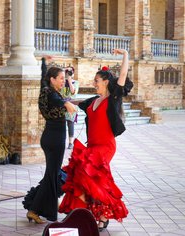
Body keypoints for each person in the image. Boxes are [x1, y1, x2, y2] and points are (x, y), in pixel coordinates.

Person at [58, 49, 133, 231]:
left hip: (105, 146)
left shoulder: (113, 99)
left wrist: (125, 54)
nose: (94, 84)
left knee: (90, 175)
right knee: (84, 179)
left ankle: (100, 215)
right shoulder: (93, 101)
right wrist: (63, 102)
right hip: (92, 146)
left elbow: (123, 74)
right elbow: (76, 103)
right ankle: (87, 214)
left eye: (96, 81)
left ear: (106, 82)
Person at [22, 56, 77, 224]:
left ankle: (39, 207)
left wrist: (44, 61)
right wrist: (67, 104)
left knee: (51, 175)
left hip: (50, 137)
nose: (63, 81)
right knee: (52, 176)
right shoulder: (52, 94)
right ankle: (34, 209)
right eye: (60, 78)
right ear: (53, 80)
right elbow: (59, 101)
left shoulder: (45, 88)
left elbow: (43, 75)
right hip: (55, 139)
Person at [61, 66, 79, 149]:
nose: (68, 73)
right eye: (67, 71)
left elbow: (73, 92)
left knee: (70, 123)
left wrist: (69, 80)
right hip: (62, 105)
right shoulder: (62, 82)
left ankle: (71, 142)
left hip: (71, 105)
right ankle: (61, 141)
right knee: (61, 124)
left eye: (70, 71)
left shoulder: (76, 82)